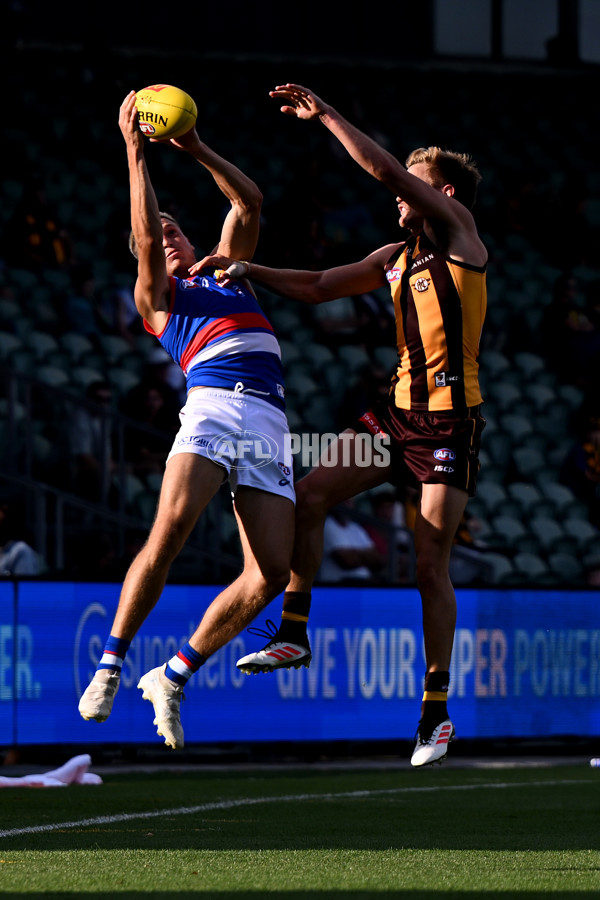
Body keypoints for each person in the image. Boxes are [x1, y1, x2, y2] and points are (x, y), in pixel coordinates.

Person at [200, 84, 487, 767]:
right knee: (309, 495)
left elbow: (386, 170)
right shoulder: (394, 258)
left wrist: (325, 114)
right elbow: (323, 285)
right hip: (393, 416)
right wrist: (248, 269)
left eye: (415, 187)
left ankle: (435, 712)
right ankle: (295, 629)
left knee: (427, 564)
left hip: (448, 427)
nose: (398, 195)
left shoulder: (462, 239)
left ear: (443, 193)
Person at [78, 91, 295, 749]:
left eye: (177, 228)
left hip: (268, 419)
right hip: (212, 405)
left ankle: (170, 675)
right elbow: (144, 236)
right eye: (159, 232)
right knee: (170, 529)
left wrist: (195, 147)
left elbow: (249, 204)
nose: (168, 234)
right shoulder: (160, 298)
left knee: (271, 576)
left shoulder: (231, 278)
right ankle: (112, 664)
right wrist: (134, 152)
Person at [318, 498, 385, 584]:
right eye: (344, 501)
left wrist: (355, 553)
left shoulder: (356, 528)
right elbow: (347, 561)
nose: (347, 505)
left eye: (349, 502)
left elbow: (378, 559)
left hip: (363, 584)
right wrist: (366, 556)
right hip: (337, 586)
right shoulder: (328, 526)